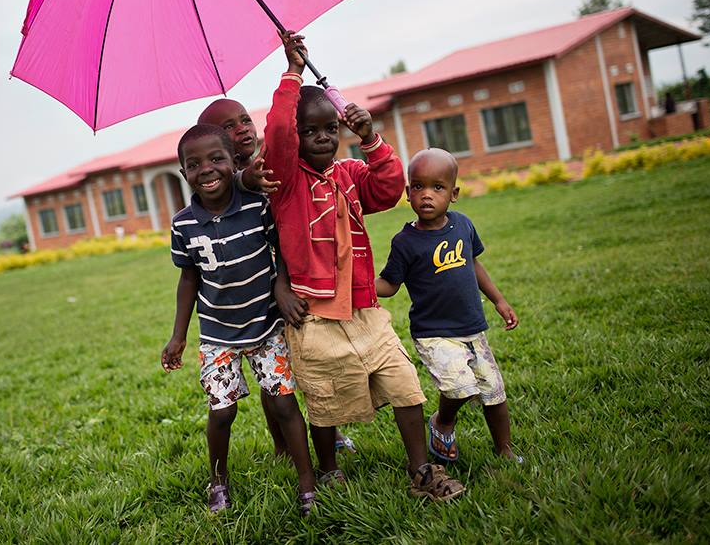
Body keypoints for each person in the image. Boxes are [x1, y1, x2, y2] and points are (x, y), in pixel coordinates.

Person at [261, 31, 466, 501]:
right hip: (314, 316)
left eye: (330, 129)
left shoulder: (350, 174)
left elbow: (390, 186)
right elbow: (276, 133)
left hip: (366, 309)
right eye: (310, 131)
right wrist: (292, 71)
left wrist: (370, 138)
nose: (323, 138)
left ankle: (421, 471)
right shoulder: (285, 182)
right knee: (325, 400)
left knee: (404, 382)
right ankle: (329, 470)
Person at [161, 124, 317, 515]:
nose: (207, 169)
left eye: (216, 159)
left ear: (234, 163)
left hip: (266, 325)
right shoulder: (182, 224)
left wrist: (282, 288)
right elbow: (188, 277)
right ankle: (218, 482)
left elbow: (281, 250)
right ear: (183, 173)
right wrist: (178, 335)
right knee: (222, 411)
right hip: (217, 334)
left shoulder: (256, 205)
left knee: (284, 403)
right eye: (194, 164)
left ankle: (307, 483)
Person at [198, 98, 357, 456]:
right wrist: (244, 178)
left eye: (243, 120)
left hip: (295, 278)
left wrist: (282, 284)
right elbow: (234, 183)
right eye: (228, 127)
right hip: (254, 297)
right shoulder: (224, 184)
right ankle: (283, 446)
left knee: (308, 363)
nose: (242, 129)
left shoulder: (271, 162)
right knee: (274, 381)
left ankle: (328, 432)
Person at [376, 148, 522, 464]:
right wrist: (358, 285)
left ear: (453, 193)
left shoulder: (463, 225)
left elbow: (474, 265)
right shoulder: (405, 242)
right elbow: (389, 285)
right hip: (434, 333)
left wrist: (499, 300)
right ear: (407, 193)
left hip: (472, 326)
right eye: (418, 187)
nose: (426, 195)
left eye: (437, 187)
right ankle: (442, 421)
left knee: (493, 391)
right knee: (459, 388)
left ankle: (504, 448)